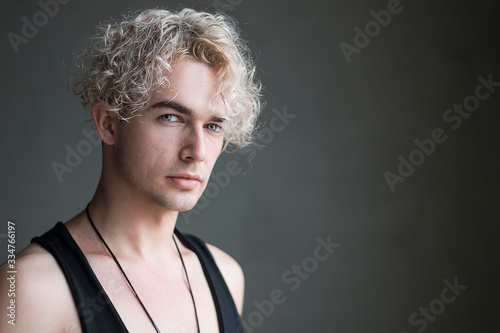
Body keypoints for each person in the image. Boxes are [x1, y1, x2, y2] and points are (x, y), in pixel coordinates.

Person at [0, 7, 262, 333]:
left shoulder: (225, 275)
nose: (197, 151)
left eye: (212, 126)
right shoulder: (32, 290)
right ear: (108, 124)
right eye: (171, 117)